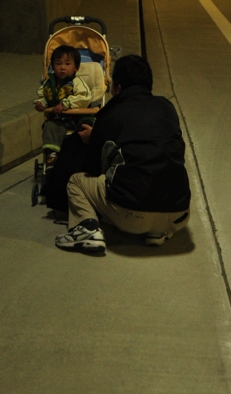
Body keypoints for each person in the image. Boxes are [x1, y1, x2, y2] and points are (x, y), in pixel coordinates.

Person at [54, 55, 190, 253]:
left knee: (77, 181)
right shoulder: (167, 107)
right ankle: (157, 231)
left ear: (117, 87)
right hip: (178, 214)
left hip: (132, 215)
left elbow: (93, 168)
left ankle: (86, 229)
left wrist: (95, 138)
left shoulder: (111, 114)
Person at [35, 46, 92, 168]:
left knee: (90, 127)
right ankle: (52, 154)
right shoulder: (49, 83)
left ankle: (86, 157)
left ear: (76, 67)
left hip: (77, 117)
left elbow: (84, 97)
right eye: (58, 63)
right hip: (58, 119)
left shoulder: (77, 82)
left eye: (67, 64)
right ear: (52, 66)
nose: (62, 67)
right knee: (50, 126)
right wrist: (42, 104)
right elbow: (44, 95)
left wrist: (65, 104)